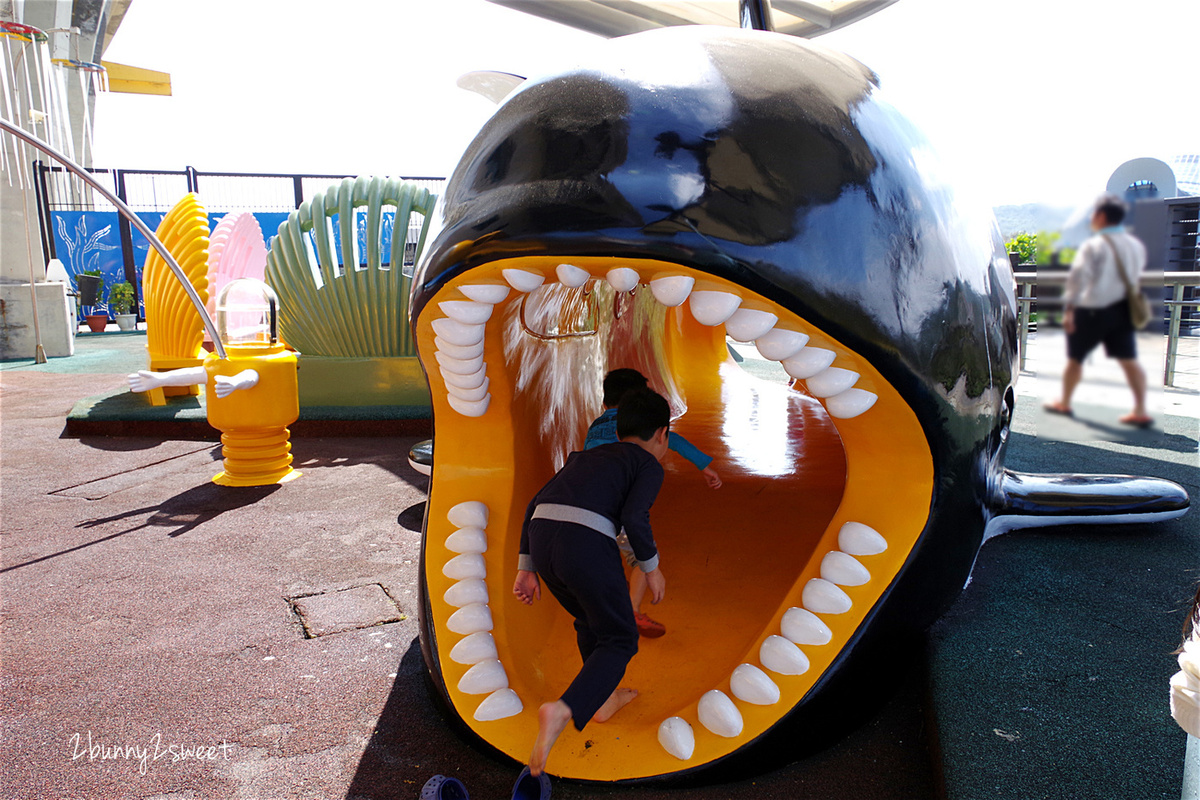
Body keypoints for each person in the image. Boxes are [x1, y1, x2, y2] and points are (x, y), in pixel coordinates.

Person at [512, 388, 671, 778]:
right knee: (619, 639)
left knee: (589, 620)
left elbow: (536, 502)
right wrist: (651, 567)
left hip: (543, 539)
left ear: (618, 431)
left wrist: (526, 566)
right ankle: (565, 708)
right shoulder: (648, 464)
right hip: (584, 544)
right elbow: (635, 516)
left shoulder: (584, 457)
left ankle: (600, 699)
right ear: (662, 435)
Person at [583, 368, 720, 638]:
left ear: (604, 402)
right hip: (617, 509)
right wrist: (705, 466)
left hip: (586, 506)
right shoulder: (636, 430)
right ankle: (632, 612)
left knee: (603, 556)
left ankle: (605, 605)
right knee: (640, 558)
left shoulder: (596, 425)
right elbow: (672, 439)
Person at [1045, 194, 1152, 427]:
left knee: (1075, 360)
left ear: (1102, 216)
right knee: (1129, 361)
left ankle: (1064, 402)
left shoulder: (1093, 246)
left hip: (1092, 311)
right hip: (1122, 310)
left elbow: (1078, 281)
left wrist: (1069, 311)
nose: (1091, 218)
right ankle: (1141, 409)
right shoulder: (1135, 245)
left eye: (1094, 213)